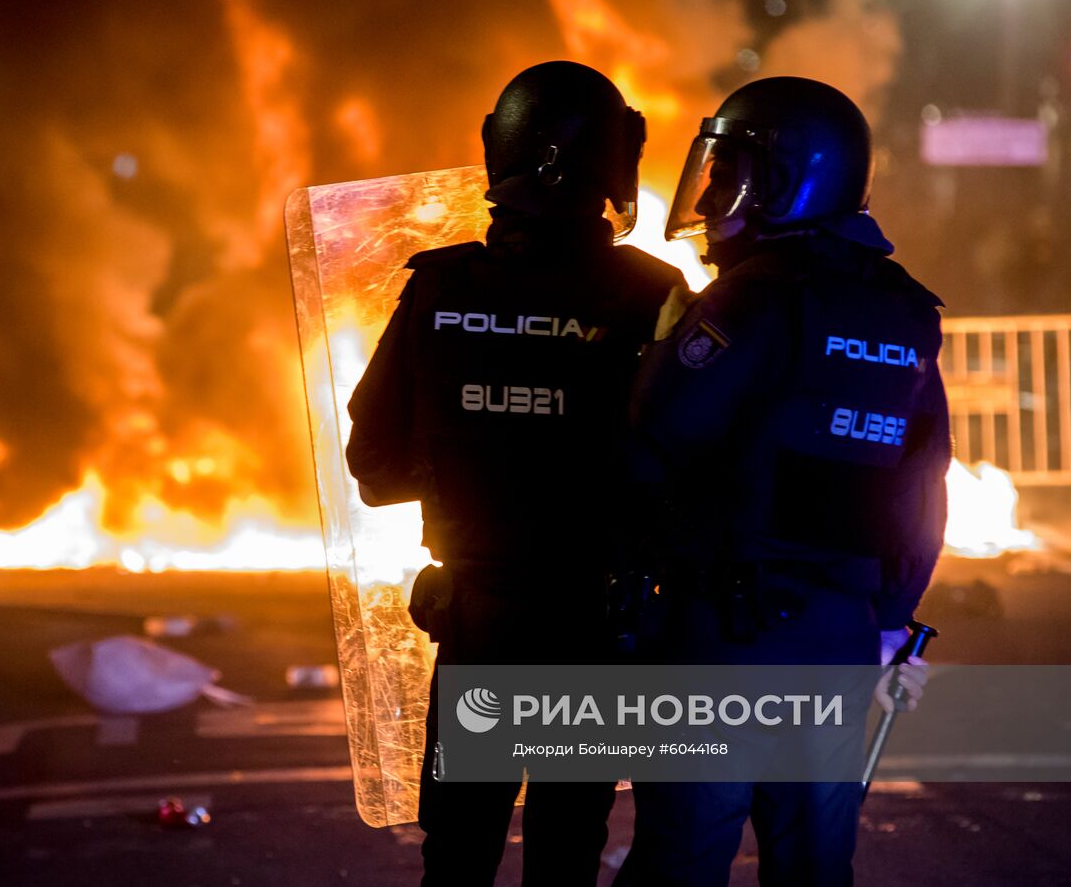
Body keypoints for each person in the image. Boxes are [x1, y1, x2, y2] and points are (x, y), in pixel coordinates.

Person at [345, 60, 683, 887]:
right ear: (606, 162)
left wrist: (465, 463)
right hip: (594, 629)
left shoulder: (441, 287)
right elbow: (690, 464)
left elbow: (373, 464)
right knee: (567, 850)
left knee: (458, 852)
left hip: (481, 626)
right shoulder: (653, 295)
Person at [614, 77, 948, 886]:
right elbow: (921, 485)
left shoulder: (752, 302)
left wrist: (631, 604)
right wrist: (891, 616)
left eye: (731, 173)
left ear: (790, 180)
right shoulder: (905, 312)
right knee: (813, 866)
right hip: (839, 641)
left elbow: (649, 452)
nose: (715, 194)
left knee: (680, 865)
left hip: (723, 637)